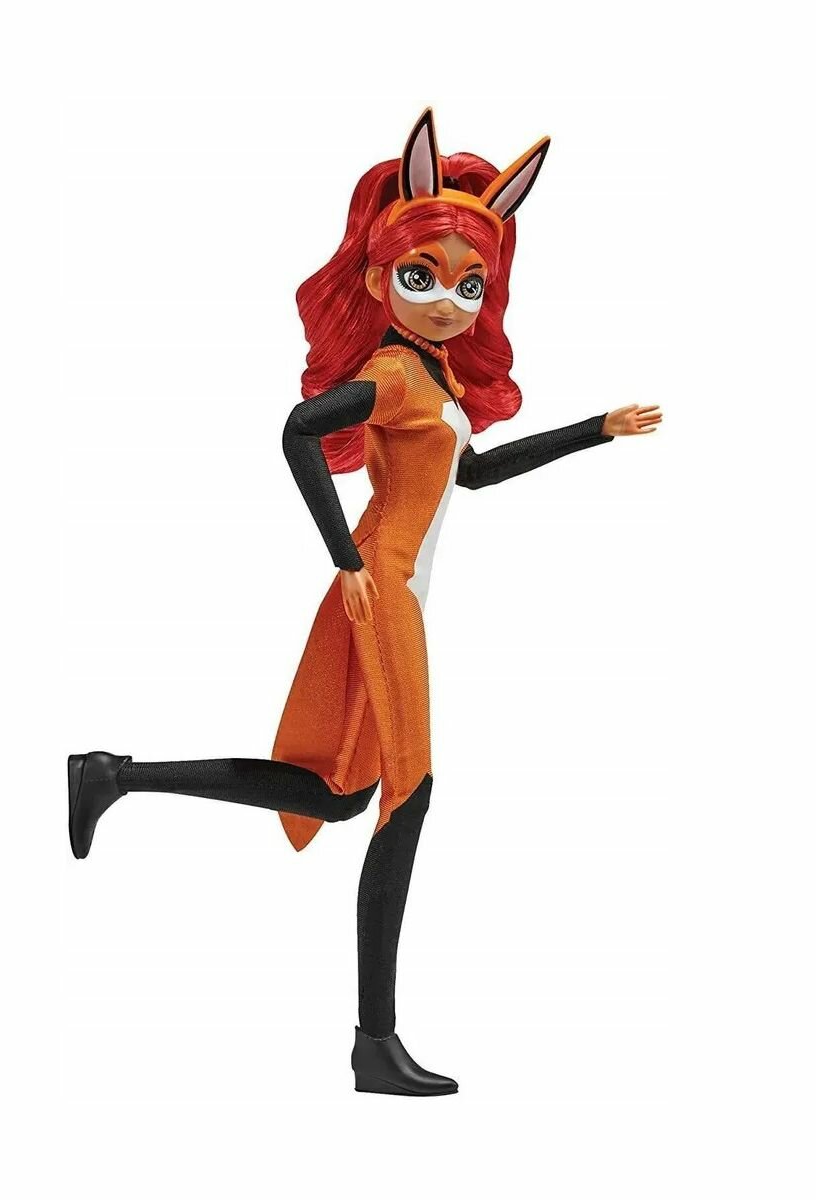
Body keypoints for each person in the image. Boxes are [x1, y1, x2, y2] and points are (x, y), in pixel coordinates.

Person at [67, 108, 662, 1096]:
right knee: (408, 791)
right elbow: (298, 429)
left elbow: (472, 476)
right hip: (380, 584)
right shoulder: (394, 372)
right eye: (424, 277)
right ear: (383, 280)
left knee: (342, 795)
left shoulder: (433, 377)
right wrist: (344, 557)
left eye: (469, 285)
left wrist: (597, 428)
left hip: (393, 587)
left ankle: (111, 774)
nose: (450, 301)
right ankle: (374, 1043)